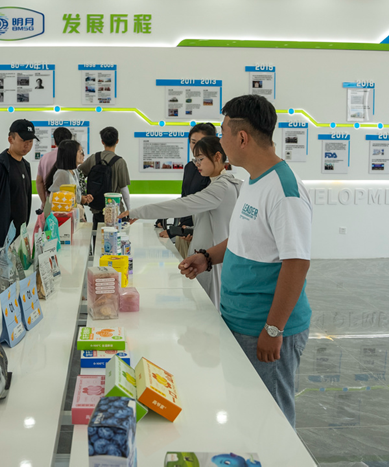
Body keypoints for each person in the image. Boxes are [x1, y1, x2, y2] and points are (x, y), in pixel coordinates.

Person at [179, 95, 312, 427]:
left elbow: (297, 264)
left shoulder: (284, 191)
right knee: (245, 413)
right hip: (239, 320)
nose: (220, 140)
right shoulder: (253, 181)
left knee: (271, 421)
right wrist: (207, 257)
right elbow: (243, 239)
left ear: (241, 137)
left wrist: (273, 329)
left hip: (263, 327)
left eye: (222, 132)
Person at [120, 136, 241, 309]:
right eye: (195, 160)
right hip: (211, 258)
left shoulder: (221, 187)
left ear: (217, 156)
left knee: (209, 311)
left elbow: (182, 206)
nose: (197, 164)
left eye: (200, 159)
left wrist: (137, 212)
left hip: (211, 261)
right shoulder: (228, 184)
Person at [157, 123, 216, 257]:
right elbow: (184, 199)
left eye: (200, 142)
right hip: (183, 233)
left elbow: (205, 205)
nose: (196, 146)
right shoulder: (189, 167)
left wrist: (188, 229)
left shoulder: (212, 171)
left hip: (204, 235)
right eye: (193, 142)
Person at [0, 119, 36, 249]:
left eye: (30, 141)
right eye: (23, 140)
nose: (27, 145)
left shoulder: (25, 165)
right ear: (10, 139)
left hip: (19, 236)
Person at [78, 126, 131, 229]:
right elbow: (124, 189)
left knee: (97, 235)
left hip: (97, 208)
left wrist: (84, 193)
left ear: (102, 141)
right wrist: (129, 210)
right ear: (117, 141)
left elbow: (78, 174)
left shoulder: (93, 158)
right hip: (115, 211)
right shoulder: (120, 162)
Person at [43, 139, 93, 215]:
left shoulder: (75, 171)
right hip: (64, 217)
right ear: (71, 153)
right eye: (80, 152)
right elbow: (57, 200)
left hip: (73, 215)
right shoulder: (62, 173)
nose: (83, 155)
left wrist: (82, 198)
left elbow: (71, 195)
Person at [36, 127, 73, 208]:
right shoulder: (72, 157)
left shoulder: (45, 157)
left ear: (55, 141)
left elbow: (39, 182)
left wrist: (44, 202)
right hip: (67, 204)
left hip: (49, 202)